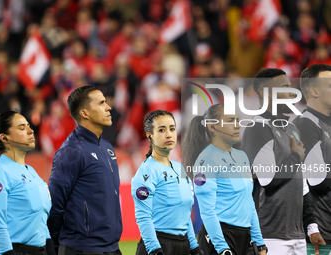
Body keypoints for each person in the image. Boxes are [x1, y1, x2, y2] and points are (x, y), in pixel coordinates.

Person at [241, 68, 325, 255]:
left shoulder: (292, 127)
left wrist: (311, 227)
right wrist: (296, 157)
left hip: (296, 234)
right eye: (284, 87)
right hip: (269, 234)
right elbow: (267, 180)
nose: (292, 92)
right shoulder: (258, 127)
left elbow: (301, 183)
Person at [182, 104, 267, 255]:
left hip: (245, 237)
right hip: (220, 238)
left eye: (237, 120)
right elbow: (207, 211)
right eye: (229, 121)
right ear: (212, 127)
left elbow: (249, 203)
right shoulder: (206, 161)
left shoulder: (242, 157)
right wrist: (222, 248)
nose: (237, 125)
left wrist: (259, 242)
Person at [47, 86, 122, 254]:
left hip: (112, 248)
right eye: (101, 103)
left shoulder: (107, 146)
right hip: (81, 249)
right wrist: (58, 246)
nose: (108, 107)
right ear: (84, 113)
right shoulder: (71, 151)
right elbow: (55, 204)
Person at [131, 110, 204, 255]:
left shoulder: (179, 168)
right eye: (161, 130)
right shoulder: (147, 172)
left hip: (182, 245)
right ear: (149, 136)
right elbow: (143, 216)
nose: (169, 134)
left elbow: (185, 214)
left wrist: (194, 246)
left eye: (172, 128)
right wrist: (154, 249)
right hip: (159, 245)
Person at [0, 111, 55, 255]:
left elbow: (41, 220)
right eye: (21, 128)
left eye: (29, 126)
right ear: (4, 138)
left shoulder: (31, 171)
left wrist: (50, 250)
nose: (30, 130)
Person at [293, 64, 331, 253]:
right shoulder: (305, 124)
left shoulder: (326, 123)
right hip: (320, 232)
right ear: (314, 91)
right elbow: (318, 180)